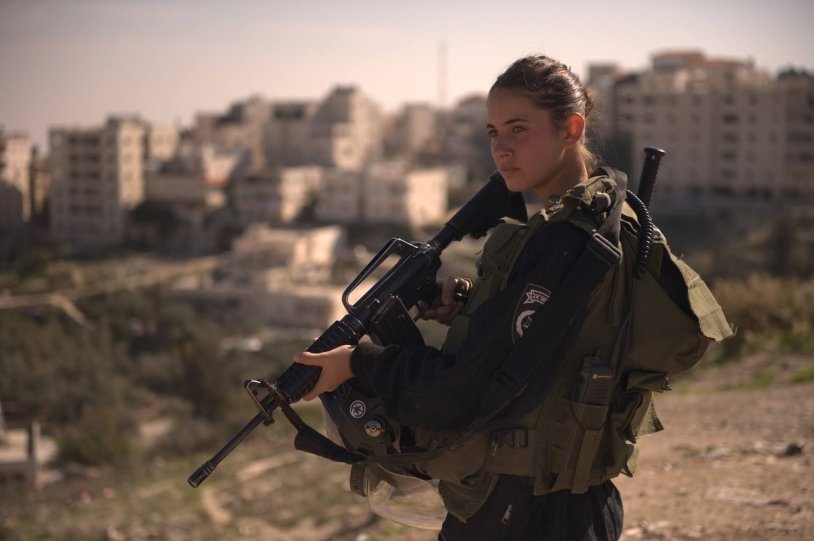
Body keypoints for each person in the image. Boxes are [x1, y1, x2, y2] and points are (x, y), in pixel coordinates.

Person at [293, 55, 731, 540]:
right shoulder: (607, 213)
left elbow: (458, 391)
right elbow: (559, 330)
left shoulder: (569, 240)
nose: (502, 149)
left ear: (571, 129)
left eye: (518, 129)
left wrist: (359, 363)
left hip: (521, 511)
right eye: (493, 133)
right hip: (572, 501)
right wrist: (472, 302)